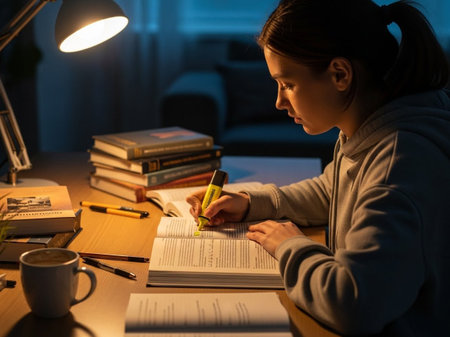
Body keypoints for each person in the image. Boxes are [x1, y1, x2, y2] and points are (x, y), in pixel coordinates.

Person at [186, 0, 450, 336]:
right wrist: (252, 203)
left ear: (340, 74)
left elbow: (354, 304)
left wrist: (289, 246)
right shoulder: (373, 124)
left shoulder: (398, 165)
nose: (279, 102)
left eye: (288, 84)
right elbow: (333, 189)